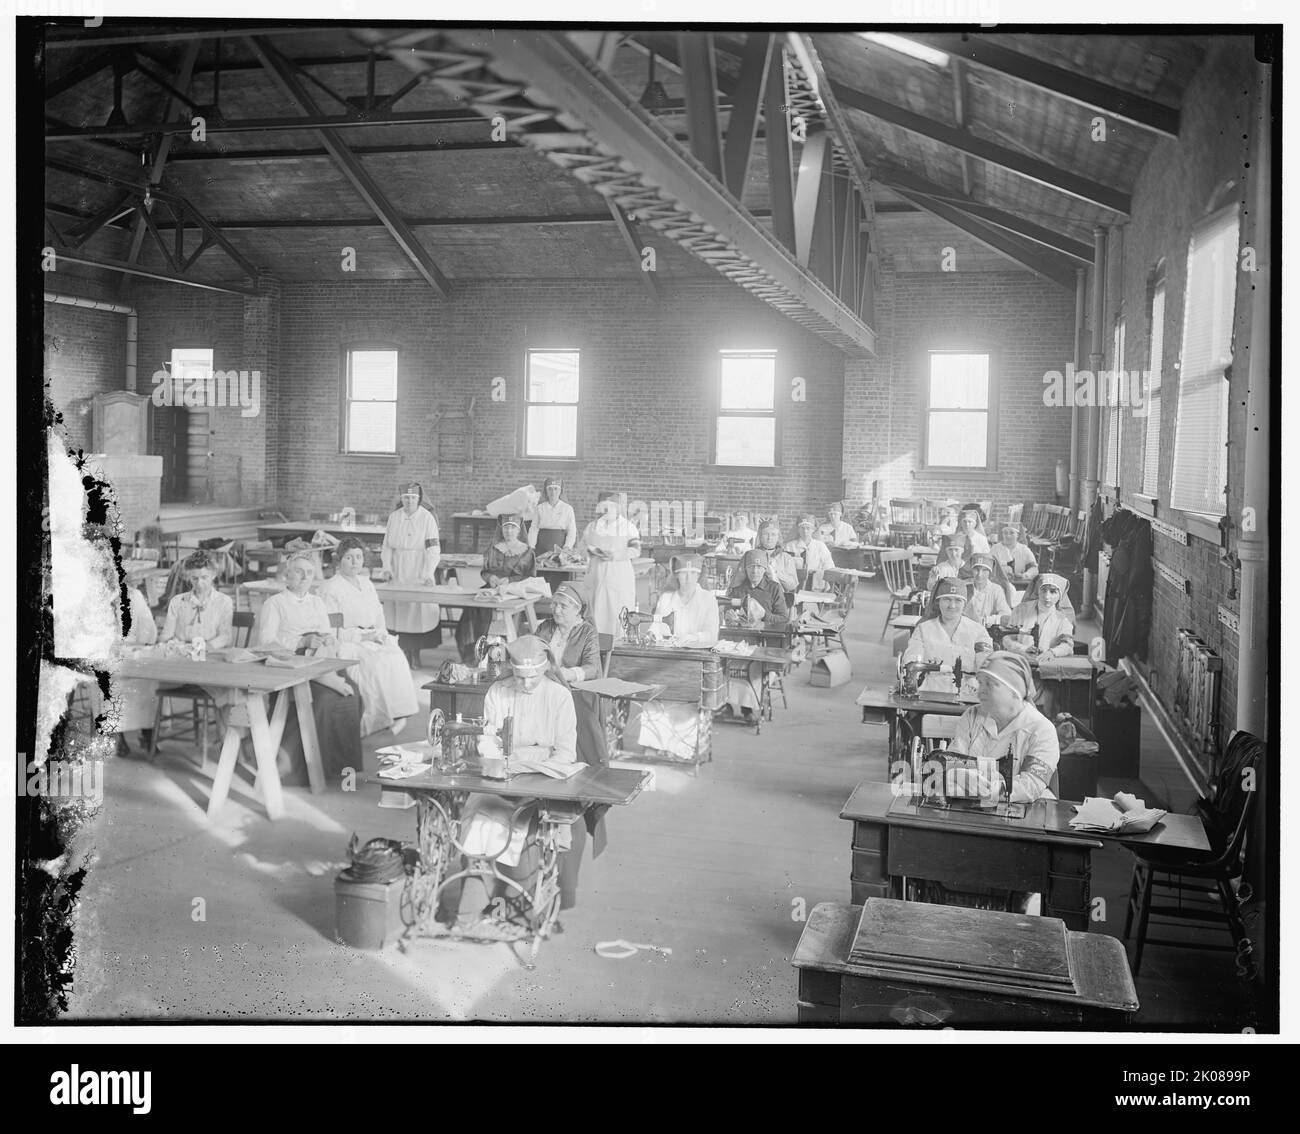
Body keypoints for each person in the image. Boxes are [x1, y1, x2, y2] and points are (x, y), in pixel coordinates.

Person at [436, 636, 579, 930]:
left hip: (543, 782)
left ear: (546, 669)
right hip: (500, 779)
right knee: (479, 822)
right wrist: (505, 756)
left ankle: (518, 907)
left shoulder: (560, 697)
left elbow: (565, 754)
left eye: (533, 677)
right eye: (519, 677)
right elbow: (488, 743)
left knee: (519, 823)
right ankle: (470, 913)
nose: (525, 684)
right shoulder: (497, 692)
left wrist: (519, 757)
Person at [254, 553, 363, 784]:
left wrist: (328, 641)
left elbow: (325, 631)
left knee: (354, 693)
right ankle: (307, 770)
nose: (304, 577)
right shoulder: (275, 603)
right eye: (298, 571)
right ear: (286, 574)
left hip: (317, 660)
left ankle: (337, 768)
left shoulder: (316, 601)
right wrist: (301, 642)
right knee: (323, 700)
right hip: (289, 666)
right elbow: (266, 643)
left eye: (310, 572)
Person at [320, 537, 418, 737]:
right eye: (349, 558)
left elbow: (378, 614)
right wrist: (363, 638)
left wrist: (380, 634)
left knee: (395, 656)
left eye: (358, 557)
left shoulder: (366, 583)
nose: (355, 562)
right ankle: (375, 718)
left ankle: (396, 713)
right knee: (374, 664)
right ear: (339, 560)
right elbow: (332, 629)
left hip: (372, 635)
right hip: (347, 640)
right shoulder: (330, 588)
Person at [946, 651, 1059, 804]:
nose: (980, 691)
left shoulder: (1042, 730)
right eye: (980, 682)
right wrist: (956, 774)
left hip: (1022, 817)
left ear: (1014, 691)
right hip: (971, 808)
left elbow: (1030, 785)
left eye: (991, 684)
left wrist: (986, 791)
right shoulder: (971, 716)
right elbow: (953, 759)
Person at [456, 513, 536, 663]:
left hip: (514, 591)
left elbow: (530, 576)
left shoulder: (526, 551)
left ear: (519, 530)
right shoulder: (494, 548)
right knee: (472, 608)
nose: (509, 531)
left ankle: (487, 652)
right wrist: (491, 578)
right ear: (501, 530)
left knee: (486, 609)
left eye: (513, 528)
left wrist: (510, 580)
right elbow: (485, 571)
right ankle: (472, 651)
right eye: (506, 528)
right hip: (492, 588)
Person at [379, 481, 441, 667]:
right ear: (401, 498)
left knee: (417, 611)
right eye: (406, 498)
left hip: (418, 567)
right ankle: (402, 653)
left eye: (413, 497)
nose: (409, 501)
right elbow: (387, 546)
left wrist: (429, 572)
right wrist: (387, 567)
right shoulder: (394, 517)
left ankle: (416, 653)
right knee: (399, 610)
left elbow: (433, 548)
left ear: (419, 498)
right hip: (398, 567)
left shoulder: (427, 518)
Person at [721, 549, 787, 721]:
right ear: (745, 569)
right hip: (740, 640)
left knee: (753, 666)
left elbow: (783, 620)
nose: (755, 571)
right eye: (751, 567)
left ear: (765, 569)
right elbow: (728, 613)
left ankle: (749, 708)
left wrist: (765, 615)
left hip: (764, 643)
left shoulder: (774, 589)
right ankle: (726, 704)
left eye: (759, 567)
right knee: (725, 662)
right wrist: (730, 617)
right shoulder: (738, 589)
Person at [901, 577, 992, 694]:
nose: (952, 605)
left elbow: (986, 666)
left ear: (965, 603)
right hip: (930, 692)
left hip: (968, 693)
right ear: (938, 601)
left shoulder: (978, 631)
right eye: (947, 599)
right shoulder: (923, 629)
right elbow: (911, 660)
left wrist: (979, 680)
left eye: (958, 600)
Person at [580, 490, 641, 649]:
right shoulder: (592, 527)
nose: (607, 510)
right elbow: (581, 546)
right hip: (596, 576)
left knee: (617, 613)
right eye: (603, 507)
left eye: (610, 506)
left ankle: (619, 650)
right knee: (596, 613)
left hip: (618, 577)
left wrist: (615, 555)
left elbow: (635, 550)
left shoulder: (627, 527)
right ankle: (594, 648)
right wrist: (590, 551)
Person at [110, 584, 160, 756]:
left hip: (133, 651)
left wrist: (139, 647)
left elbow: (148, 628)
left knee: (148, 680)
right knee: (109, 680)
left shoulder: (134, 595)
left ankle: (147, 732)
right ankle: (117, 735)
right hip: (105, 655)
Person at [160, 549, 234, 650]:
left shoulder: (224, 601)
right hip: (182, 653)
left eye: (204, 577)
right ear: (188, 577)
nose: (199, 583)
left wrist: (204, 648)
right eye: (194, 578)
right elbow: (166, 635)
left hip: (210, 652)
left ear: (213, 575)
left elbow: (225, 636)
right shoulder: (177, 601)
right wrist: (168, 645)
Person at [1003, 572, 1076, 661]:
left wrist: (1052, 652)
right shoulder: (1020, 610)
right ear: (1038, 590)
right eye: (1043, 590)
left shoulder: (1063, 618)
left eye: (1053, 592)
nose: (1047, 596)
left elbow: (1068, 645)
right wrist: (1023, 649)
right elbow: (1007, 638)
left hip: (1048, 663)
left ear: (1060, 595)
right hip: (1020, 660)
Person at [528, 475, 578, 554]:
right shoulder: (540, 508)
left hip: (560, 548)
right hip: (541, 548)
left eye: (556, 489)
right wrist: (531, 547)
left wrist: (567, 546)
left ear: (560, 491)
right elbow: (533, 529)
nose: (553, 492)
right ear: (546, 491)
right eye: (550, 489)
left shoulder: (567, 509)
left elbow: (572, 530)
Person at [785, 514, 835, 590]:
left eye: (808, 528)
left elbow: (829, 566)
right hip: (795, 584)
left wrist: (819, 573)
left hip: (817, 584)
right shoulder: (789, 546)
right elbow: (784, 568)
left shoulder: (820, 546)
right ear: (798, 529)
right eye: (802, 528)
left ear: (813, 529)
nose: (805, 531)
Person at [755, 520, 800, 605]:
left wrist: (774, 572)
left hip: (780, 601)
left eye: (773, 534)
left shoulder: (786, 558)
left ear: (778, 537)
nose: (769, 538)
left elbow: (792, 585)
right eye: (765, 534)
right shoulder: (753, 555)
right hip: (756, 599)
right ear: (760, 536)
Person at [965, 552, 1011, 626]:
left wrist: (985, 620)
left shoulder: (996, 590)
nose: (980, 574)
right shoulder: (964, 587)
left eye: (984, 570)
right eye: (976, 569)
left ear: (990, 572)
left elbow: (1006, 616)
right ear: (971, 569)